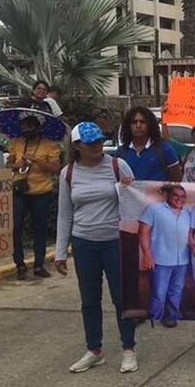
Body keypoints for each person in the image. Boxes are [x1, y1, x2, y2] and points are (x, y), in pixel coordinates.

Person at [54, 122, 139, 373]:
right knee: (89, 300)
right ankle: (94, 350)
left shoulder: (118, 166)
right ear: (77, 146)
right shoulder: (68, 173)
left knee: (121, 298)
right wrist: (60, 251)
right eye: (90, 143)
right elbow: (64, 214)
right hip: (84, 243)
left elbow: (137, 204)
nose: (97, 146)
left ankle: (128, 349)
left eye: (100, 140)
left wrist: (128, 189)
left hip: (115, 242)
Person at [7, 114, 62, 280]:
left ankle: (39, 265)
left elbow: (56, 168)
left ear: (37, 128)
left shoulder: (50, 144)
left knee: (39, 228)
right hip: (20, 191)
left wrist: (36, 160)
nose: (26, 130)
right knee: (15, 227)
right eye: (23, 128)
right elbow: (7, 165)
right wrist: (16, 165)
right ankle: (20, 265)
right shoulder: (17, 142)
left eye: (29, 127)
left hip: (41, 192)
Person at [138, 184, 193, 328]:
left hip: (182, 260)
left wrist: (194, 248)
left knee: (176, 292)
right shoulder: (154, 209)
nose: (179, 199)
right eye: (176, 195)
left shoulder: (187, 213)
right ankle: (155, 319)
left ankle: (171, 317)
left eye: (183, 197)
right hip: (160, 260)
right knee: (159, 293)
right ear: (168, 195)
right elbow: (143, 232)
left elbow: (189, 235)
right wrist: (147, 253)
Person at [115, 106, 182, 183]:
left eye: (142, 122)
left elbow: (177, 181)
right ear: (128, 126)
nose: (138, 125)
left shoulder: (165, 149)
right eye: (134, 122)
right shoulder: (121, 152)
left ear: (150, 125)